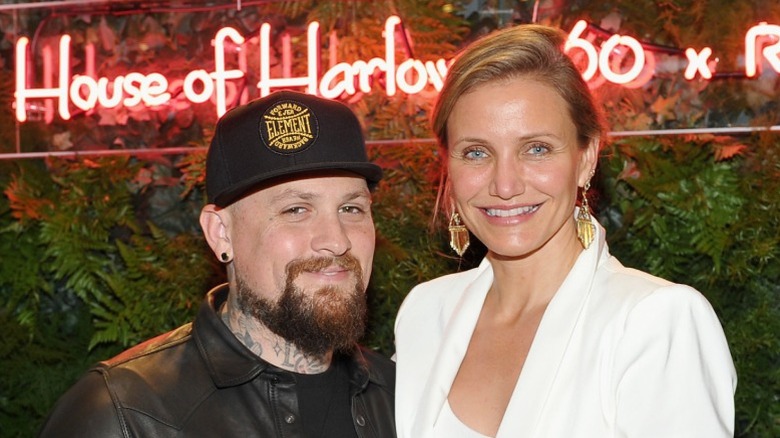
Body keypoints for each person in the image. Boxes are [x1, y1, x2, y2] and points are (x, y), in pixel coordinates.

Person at [393, 24, 736, 438]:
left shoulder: (655, 321)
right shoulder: (424, 314)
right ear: (448, 164)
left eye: (536, 148)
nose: (505, 185)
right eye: (476, 152)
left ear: (586, 157)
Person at [39, 90, 396, 437]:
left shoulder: (404, 396)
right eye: (296, 210)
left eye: (351, 209)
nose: (337, 240)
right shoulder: (123, 413)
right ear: (221, 233)